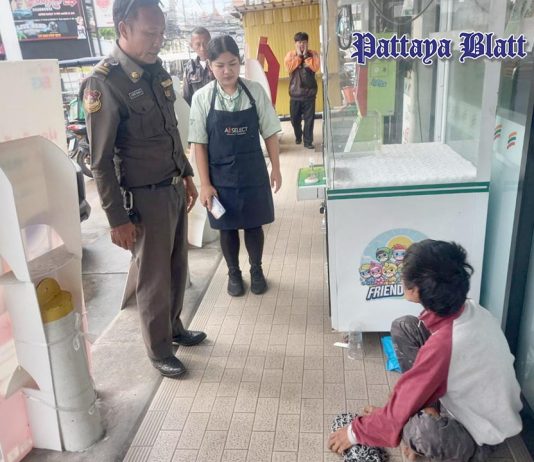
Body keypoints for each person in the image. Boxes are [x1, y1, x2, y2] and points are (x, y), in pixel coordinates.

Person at [80, 0, 206, 379]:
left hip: (172, 187)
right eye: (150, 33)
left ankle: (174, 327)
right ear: (124, 28)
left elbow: (170, 130)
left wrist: (186, 174)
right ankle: (159, 349)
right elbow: (100, 161)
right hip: (144, 199)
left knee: (177, 267)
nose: (158, 41)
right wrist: (116, 219)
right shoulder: (104, 83)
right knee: (154, 279)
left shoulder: (155, 71)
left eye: (161, 33)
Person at [328, 240, 523, 461]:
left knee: (420, 431)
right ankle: (425, 408)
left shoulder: (446, 344)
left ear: (416, 290)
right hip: (474, 401)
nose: (400, 278)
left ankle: (423, 424)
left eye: (404, 275)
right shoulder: (470, 309)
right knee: (404, 326)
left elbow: (406, 396)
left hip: (479, 434)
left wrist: (354, 432)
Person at [188, 35, 282, 297]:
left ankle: (256, 270)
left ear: (240, 62)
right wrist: (205, 184)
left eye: (232, 63)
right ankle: (233, 273)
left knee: (254, 225)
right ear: (210, 66)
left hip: (253, 173)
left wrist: (276, 168)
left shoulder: (254, 92)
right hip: (220, 178)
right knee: (226, 228)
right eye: (220, 65)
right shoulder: (202, 98)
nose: (227, 71)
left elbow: (270, 132)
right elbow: (199, 144)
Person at [284, 31, 320, 149]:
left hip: (309, 94)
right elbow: (289, 68)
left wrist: (305, 56)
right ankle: (298, 136)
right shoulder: (290, 55)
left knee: (309, 120)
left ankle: (308, 141)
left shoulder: (313, 54)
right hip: (295, 94)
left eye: (304, 42)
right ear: (295, 43)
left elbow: (315, 67)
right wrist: (299, 56)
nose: (302, 45)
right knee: (295, 120)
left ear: (307, 43)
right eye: (299, 42)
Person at [182, 27, 214, 106]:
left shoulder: (219, 64)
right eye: (198, 44)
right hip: (198, 111)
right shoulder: (189, 69)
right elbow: (187, 97)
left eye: (205, 43)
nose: (202, 48)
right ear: (191, 46)